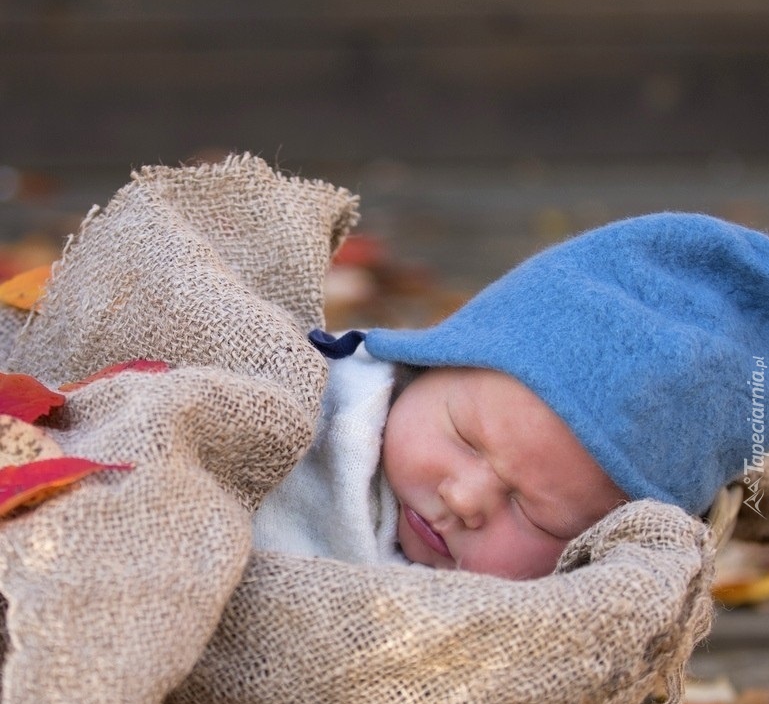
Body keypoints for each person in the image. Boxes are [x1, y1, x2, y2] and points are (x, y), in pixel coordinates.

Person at [251, 211, 769, 580]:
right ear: (433, 364)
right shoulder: (315, 399)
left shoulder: (534, 625)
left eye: (532, 513)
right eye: (466, 437)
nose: (463, 498)